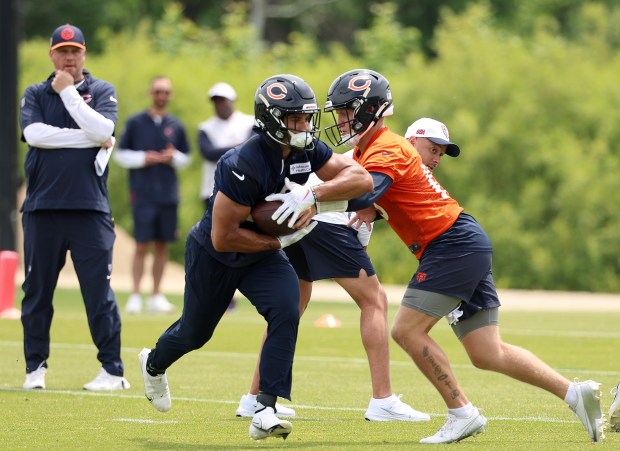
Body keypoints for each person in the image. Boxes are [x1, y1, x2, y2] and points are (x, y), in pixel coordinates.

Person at [316, 68, 604, 443]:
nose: (340, 120)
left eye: (346, 111)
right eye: (338, 112)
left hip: (452, 245)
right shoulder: (370, 150)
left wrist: (310, 200)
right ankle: (573, 393)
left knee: (406, 330)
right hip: (462, 241)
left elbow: (369, 190)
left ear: (371, 110)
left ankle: (461, 412)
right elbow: (381, 195)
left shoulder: (387, 147)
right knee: (487, 352)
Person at [138, 74, 373, 441]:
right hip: (217, 253)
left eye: (307, 118)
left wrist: (315, 196)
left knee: (286, 309)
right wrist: (280, 242)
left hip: (261, 252)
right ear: (272, 120)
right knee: (195, 333)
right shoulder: (242, 162)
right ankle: (153, 364)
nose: (305, 127)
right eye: (295, 119)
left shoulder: (305, 149)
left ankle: (265, 407)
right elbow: (224, 235)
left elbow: (361, 179)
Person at [234, 148, 429, 422]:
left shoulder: (379, 149)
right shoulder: (397, 158)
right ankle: (383, 400)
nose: (436, 158)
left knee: (292, 305)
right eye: (432, 149)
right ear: (413, 141)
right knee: (374, 300)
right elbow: (361, 211)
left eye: (441, 152)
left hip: (298, 217)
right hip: (325, 221)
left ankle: (254, 398)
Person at [19, 24, 130, 391]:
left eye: (75, 51)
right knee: (37, 292)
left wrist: (68, 94)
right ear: (51, 54)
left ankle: (112, 371)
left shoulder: (101, 90)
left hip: (90, 210)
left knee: (99, 294)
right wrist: (88, 139)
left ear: (84, 54)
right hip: (42, 209)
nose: (69, 57)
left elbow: (104, 130)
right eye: (62, 51)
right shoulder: (35, 92)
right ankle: (35, 369)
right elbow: (34, 135)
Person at [114, 76, 191, 314]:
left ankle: (156, 294)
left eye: (166, 92)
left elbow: (186, 158)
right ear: (151, 93)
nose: (161, 96)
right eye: (158, 91)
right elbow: (120, 154)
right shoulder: (136, 123)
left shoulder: (176, 125)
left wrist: (172, 157)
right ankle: (135, 294)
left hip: (168, 195)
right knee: (141, 245)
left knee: (162, 245)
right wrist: (143, 158)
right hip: (143, 194)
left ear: (170, 95)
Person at [198, 82, 255, 313]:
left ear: (232, 100)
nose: (220, 104)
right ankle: (223, 294)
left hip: (245, 191)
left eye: (223, 100)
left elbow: (251, 147)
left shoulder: (249, 122)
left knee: (244, 244)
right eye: (216, 101)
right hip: (212, 190)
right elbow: (207, 152)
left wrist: (229, 148)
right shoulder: (205, 127)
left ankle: (248, 289)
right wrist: (236, 147)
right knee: (217, 245)